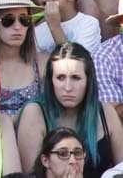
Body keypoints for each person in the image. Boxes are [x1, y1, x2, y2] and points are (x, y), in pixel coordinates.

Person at [18, 43, 123, 175]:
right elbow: (33, 175)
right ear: (51, 81)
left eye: (76, 78)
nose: (68, 87)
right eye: (60, 77)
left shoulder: (105, 112)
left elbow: (121, 168)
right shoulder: (34, 112)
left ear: (88, 81)